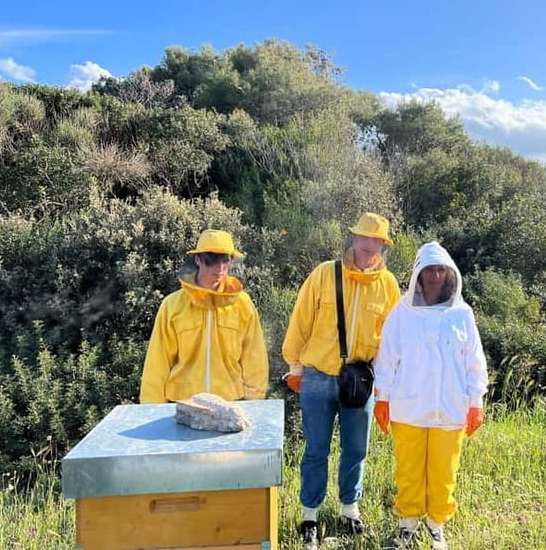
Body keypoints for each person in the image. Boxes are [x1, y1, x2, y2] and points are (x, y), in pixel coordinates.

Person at [282, 213, 401, 549]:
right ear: (353, 239)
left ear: (383, 244)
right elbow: (301, 319)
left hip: (360, 379)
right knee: (316, 449)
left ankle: (350, 511)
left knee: (356, 449)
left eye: (375, 239)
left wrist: (387, 383)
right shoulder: (325, 273)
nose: (367, 244)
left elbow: (392, 339)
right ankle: (310, 516)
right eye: (362, 237)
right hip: (318, 375)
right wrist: (295, 367)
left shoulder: (388, 284)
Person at [373, 241, 488, 550]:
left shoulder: (462, 314)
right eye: (429, 270)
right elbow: (386, 358)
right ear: (418, 276)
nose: (435, 275)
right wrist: (382, 398)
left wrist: (475, 403)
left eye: (441, 269)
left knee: (443, 473)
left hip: (450, 409)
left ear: (450, 274)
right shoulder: (401, 312)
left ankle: (436, 526)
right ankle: (407, 525)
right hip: (407, 406)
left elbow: (475, 361)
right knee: (408, 470)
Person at [140, 229, 268, 403]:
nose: (220, 268)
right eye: (212, 260)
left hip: (231, 402)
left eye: (225, 260)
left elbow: (254, 357)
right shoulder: (172, 305)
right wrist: (151, 408)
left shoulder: (243, 304)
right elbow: (157, 362)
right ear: (198, 259)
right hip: (182, 403)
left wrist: (254, 404)